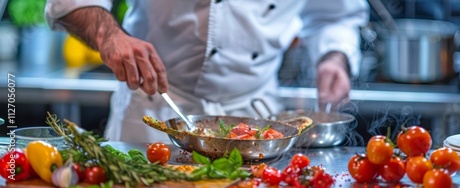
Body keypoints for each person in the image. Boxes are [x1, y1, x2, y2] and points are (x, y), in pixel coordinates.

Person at [45, 0, 369, 143]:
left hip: (255, 119)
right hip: (154, 108)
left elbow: (335, 15)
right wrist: (110, 35)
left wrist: (333, 57)